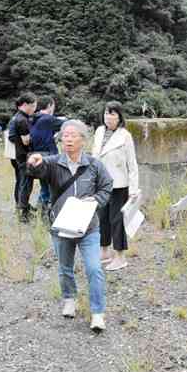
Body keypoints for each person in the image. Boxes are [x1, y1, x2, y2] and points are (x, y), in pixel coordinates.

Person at [26, 120, 113, 332]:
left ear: (83, 140)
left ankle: (98, 313)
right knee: (65, 267)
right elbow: (38, 170)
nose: (69, 139)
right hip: (61, 226)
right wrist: (33, 161)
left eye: (73, 135)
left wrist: (96, 201)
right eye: (65, 135)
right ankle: (69, 298)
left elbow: (107, 186)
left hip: (88, 227)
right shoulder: (54, 162)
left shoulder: (94, 165)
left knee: (94, 269)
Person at [91, 101, 140, 271]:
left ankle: (120, 256)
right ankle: (104, 250)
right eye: (106, 113)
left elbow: (132, 164)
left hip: (119, 184)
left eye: (112, 114)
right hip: (100, 183)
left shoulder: (124, 135)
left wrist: (134, 189)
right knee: (101, 217)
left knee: (117, 220)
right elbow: (94, 157)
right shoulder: (99, 131)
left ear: (119, 117)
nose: (108, 117)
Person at [29, 96, 66, 218]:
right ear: (50, 105)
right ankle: (47, 215)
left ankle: (41, 212)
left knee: (44, 186)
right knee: (52, 187)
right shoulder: (47, 119)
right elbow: (68, 124)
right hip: (48, 156)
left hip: (36, 155)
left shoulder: (34, 118)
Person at [10, 93, 37, 222]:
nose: (34, 109)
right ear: (25, 105)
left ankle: (22, 209)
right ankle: (23, 213)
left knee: (22, 183)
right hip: (24, 156)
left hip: (18, 155)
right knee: (25, 184)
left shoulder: (16, 117)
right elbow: (26, 141)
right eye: (32, 106)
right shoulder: (22, 120)